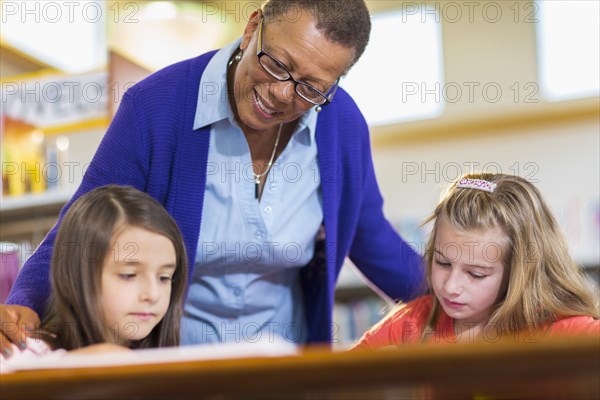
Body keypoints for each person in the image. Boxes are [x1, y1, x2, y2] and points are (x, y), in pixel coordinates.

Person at [2, 0, 423, 347]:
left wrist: (467, 296)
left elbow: (372, 240)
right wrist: (26, 302)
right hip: (174, 366)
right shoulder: (156, 107)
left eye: (312, 88)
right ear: (252, 27)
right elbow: (81, 225)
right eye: (277, 62)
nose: (282, 93)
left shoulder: (342, 125)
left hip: (286, 366)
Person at [352, 173, 599, 350]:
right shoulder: (410, 323)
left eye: (476, 274)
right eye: (442, 263)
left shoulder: (561, 332)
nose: (450, 287)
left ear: (519, 272)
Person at [1, 185, 188, 361]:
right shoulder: (26, 353)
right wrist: (76, 363)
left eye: (164, 278)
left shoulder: (167, 361)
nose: (153, 294)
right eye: (128, 275)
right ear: (76, 278)